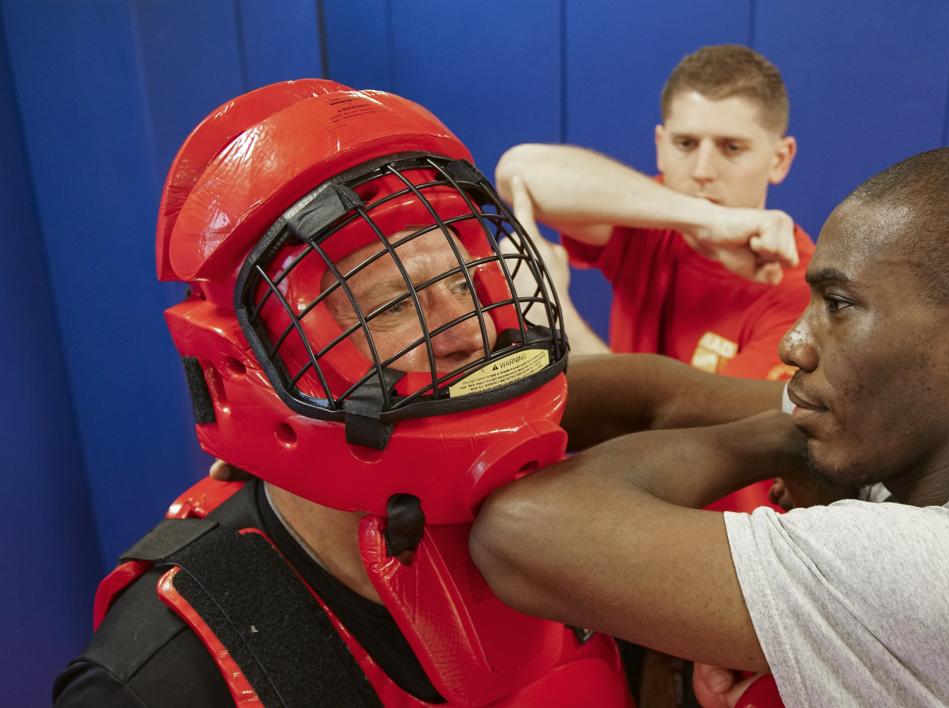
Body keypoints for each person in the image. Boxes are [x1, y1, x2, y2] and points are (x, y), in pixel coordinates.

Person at [470, 146, 949, 707]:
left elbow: (519, 533)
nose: (796, 344)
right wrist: (464, 393)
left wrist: (784, 441)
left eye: (839, 305)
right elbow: (664, 394)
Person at [54, 79, 631, 707]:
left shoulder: (582, 534)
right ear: (248, 366)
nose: (468, 335)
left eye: (465, 286)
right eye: (389, 306)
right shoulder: (158, 681)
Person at [496, 44, 811, 382]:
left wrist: (551, 317)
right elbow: (517, 171)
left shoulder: (802, 295)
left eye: (732, 148)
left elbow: (687, 434)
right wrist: (708, 220)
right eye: (685, 144)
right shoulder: (655, 213)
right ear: (661, 147)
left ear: (780, 159)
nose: (703, 170)